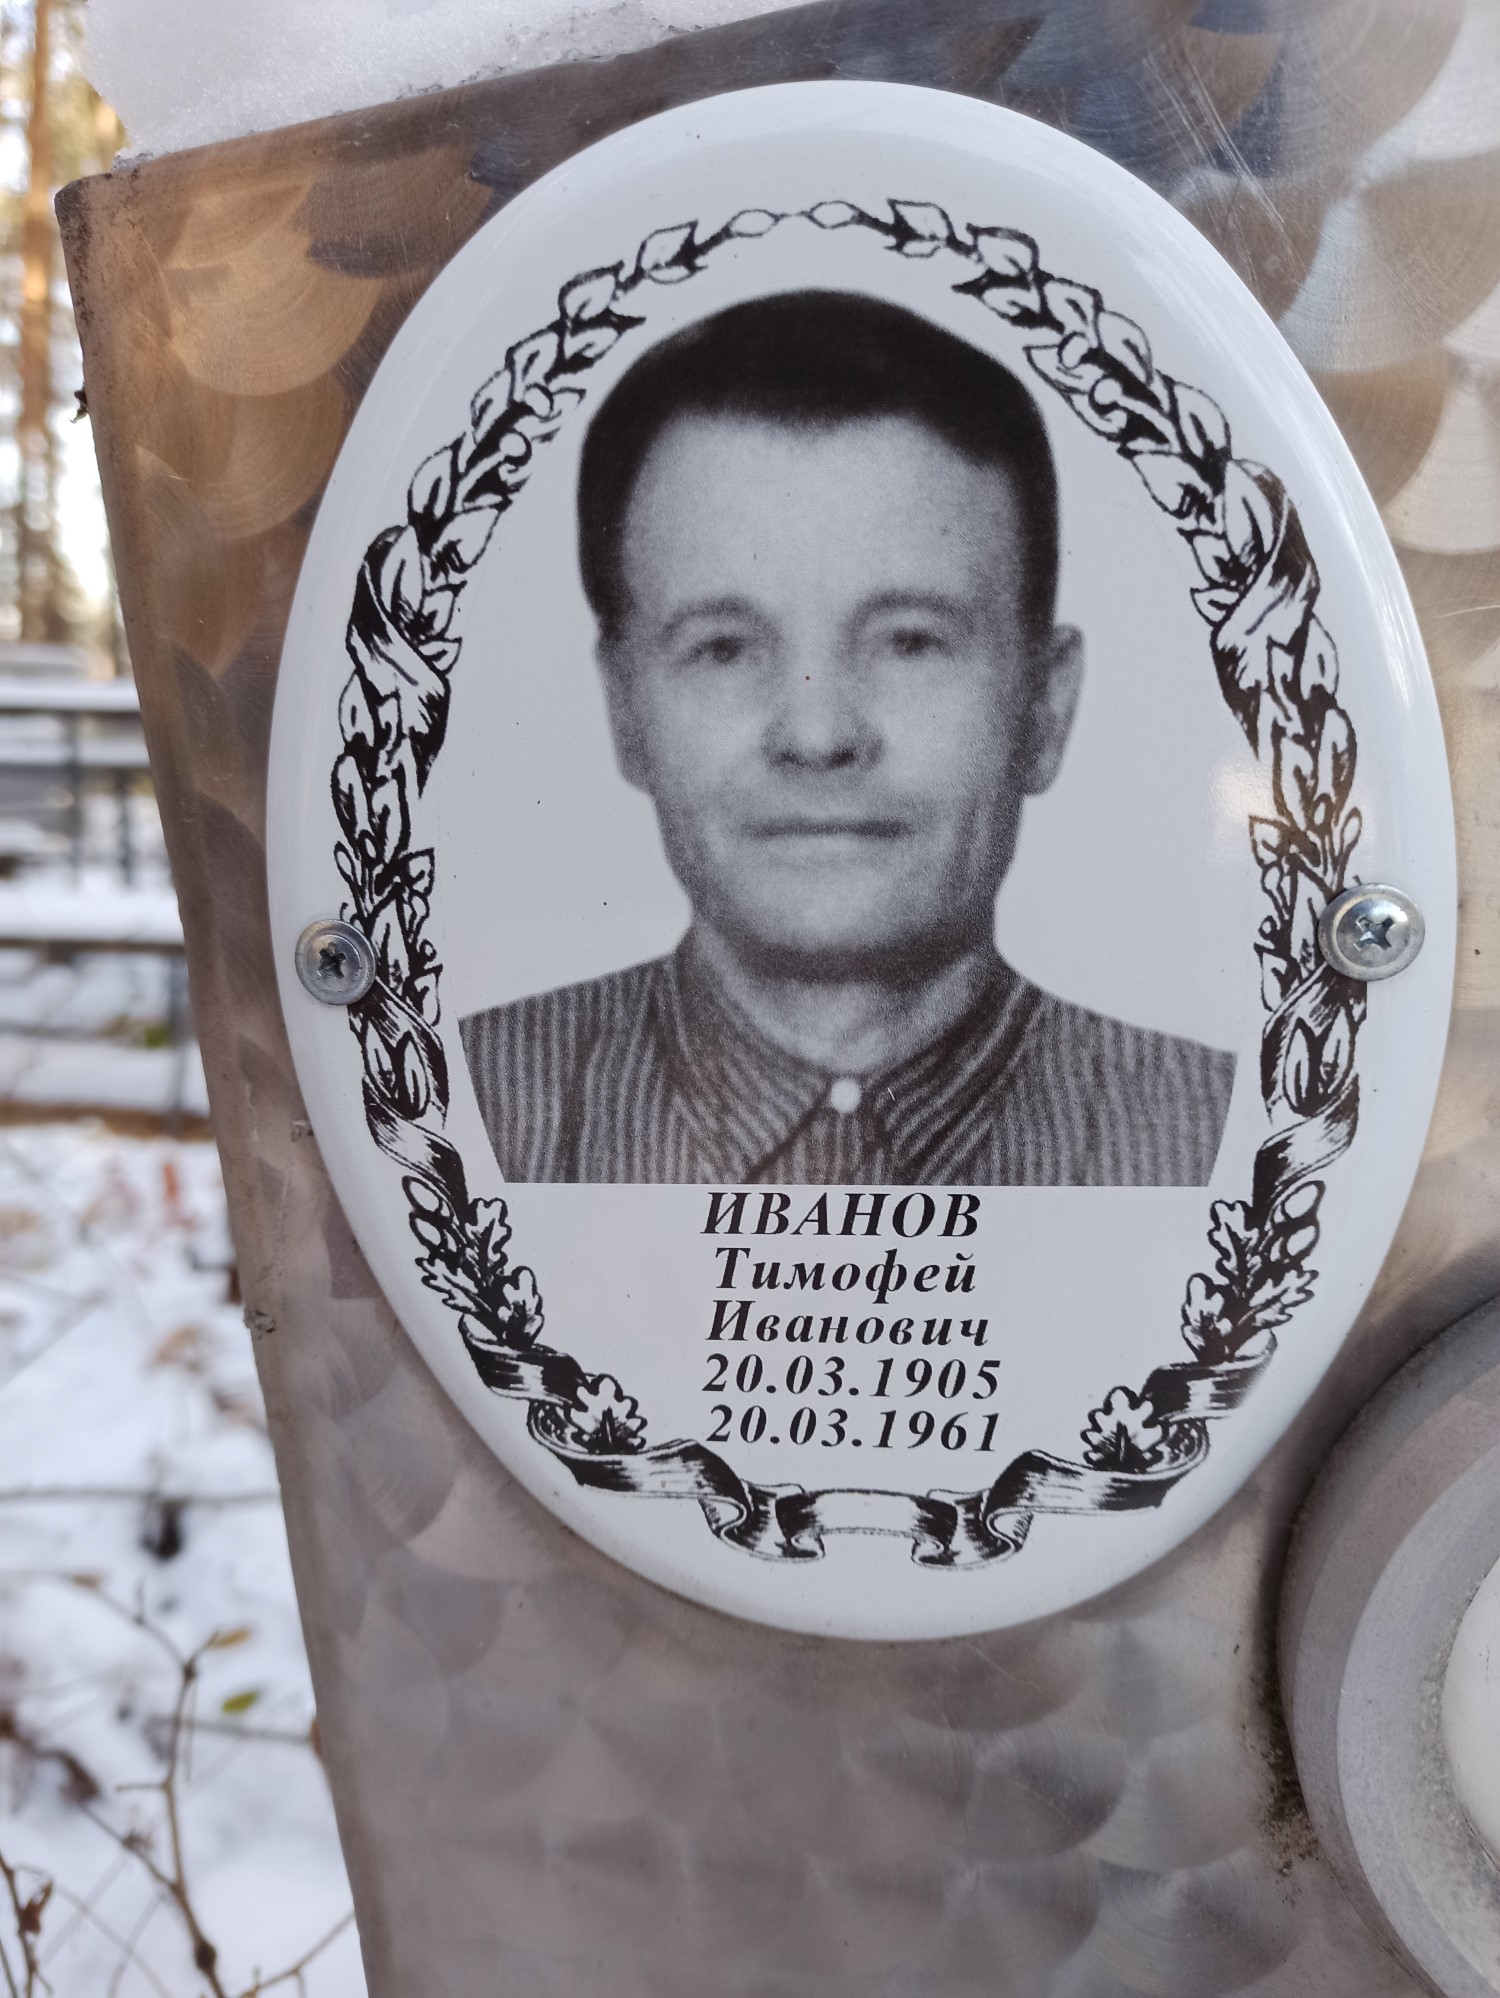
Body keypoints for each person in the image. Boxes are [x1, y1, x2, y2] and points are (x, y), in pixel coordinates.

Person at [460, 290, 1235, 1185]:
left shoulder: (1222, 1139)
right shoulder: (456, 1113)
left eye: (910, 641)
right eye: (724, 648)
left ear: (1044, 708)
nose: (818, 733)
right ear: (626, 711)